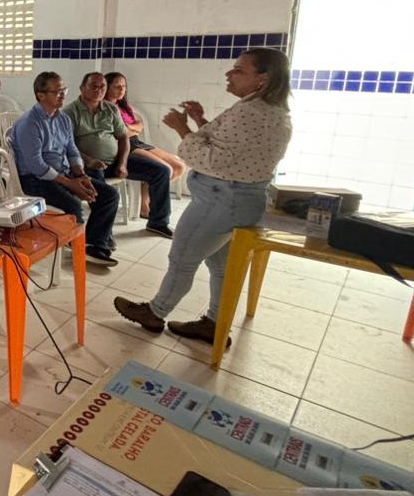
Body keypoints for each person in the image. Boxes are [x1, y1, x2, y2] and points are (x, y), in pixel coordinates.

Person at [114, 49, 294, 346]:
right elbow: (229, 147)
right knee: (220, 265)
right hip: (243, 200)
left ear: (263, 78)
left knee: (182, 258)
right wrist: (199, 119)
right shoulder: (271, 110)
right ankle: (214, 323)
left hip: (221, 200)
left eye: (239, 69)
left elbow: (212, 160)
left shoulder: (251, 112)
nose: (229, 74)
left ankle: (155, 312)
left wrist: (182, 127)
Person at [11, 72, 120, 267]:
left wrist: (80, 175)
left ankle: (94, 244)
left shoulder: (62, 119)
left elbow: (72, 150)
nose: (62, 95)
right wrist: (71, 184)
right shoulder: (29, 123)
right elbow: (36, 165)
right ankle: (76, 243)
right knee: (73, 204)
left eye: (64, 90)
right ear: (41, 95)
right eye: (57, 91)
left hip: (63, 173)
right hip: (34, 179)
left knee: (109, 195)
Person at [66, 72, 173, 239]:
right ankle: (102, 237)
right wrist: (89, 161)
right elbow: (67, 145)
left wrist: (122, 163)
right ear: (82, 88)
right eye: (93, 86)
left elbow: (123, 138)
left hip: (116, 160)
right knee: (105, 194)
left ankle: (158, 222)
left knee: (162, 171)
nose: (98, 90)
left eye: (102, 86)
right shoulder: (70, 112)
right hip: (87, 164)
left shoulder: (110, 109)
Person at [105, 71, 188, 217]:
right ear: (107, 87)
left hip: (136, 141)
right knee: (166, 169)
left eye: (124, 86)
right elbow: (121, 133)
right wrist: (131, 128)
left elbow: (139, 125)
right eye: (117, 86)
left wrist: (130, 128)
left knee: (180, 167)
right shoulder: (106, 107)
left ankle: (147, 197)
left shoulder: (123, 105)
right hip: (125, 145)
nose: (122, 89)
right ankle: (145, 206)